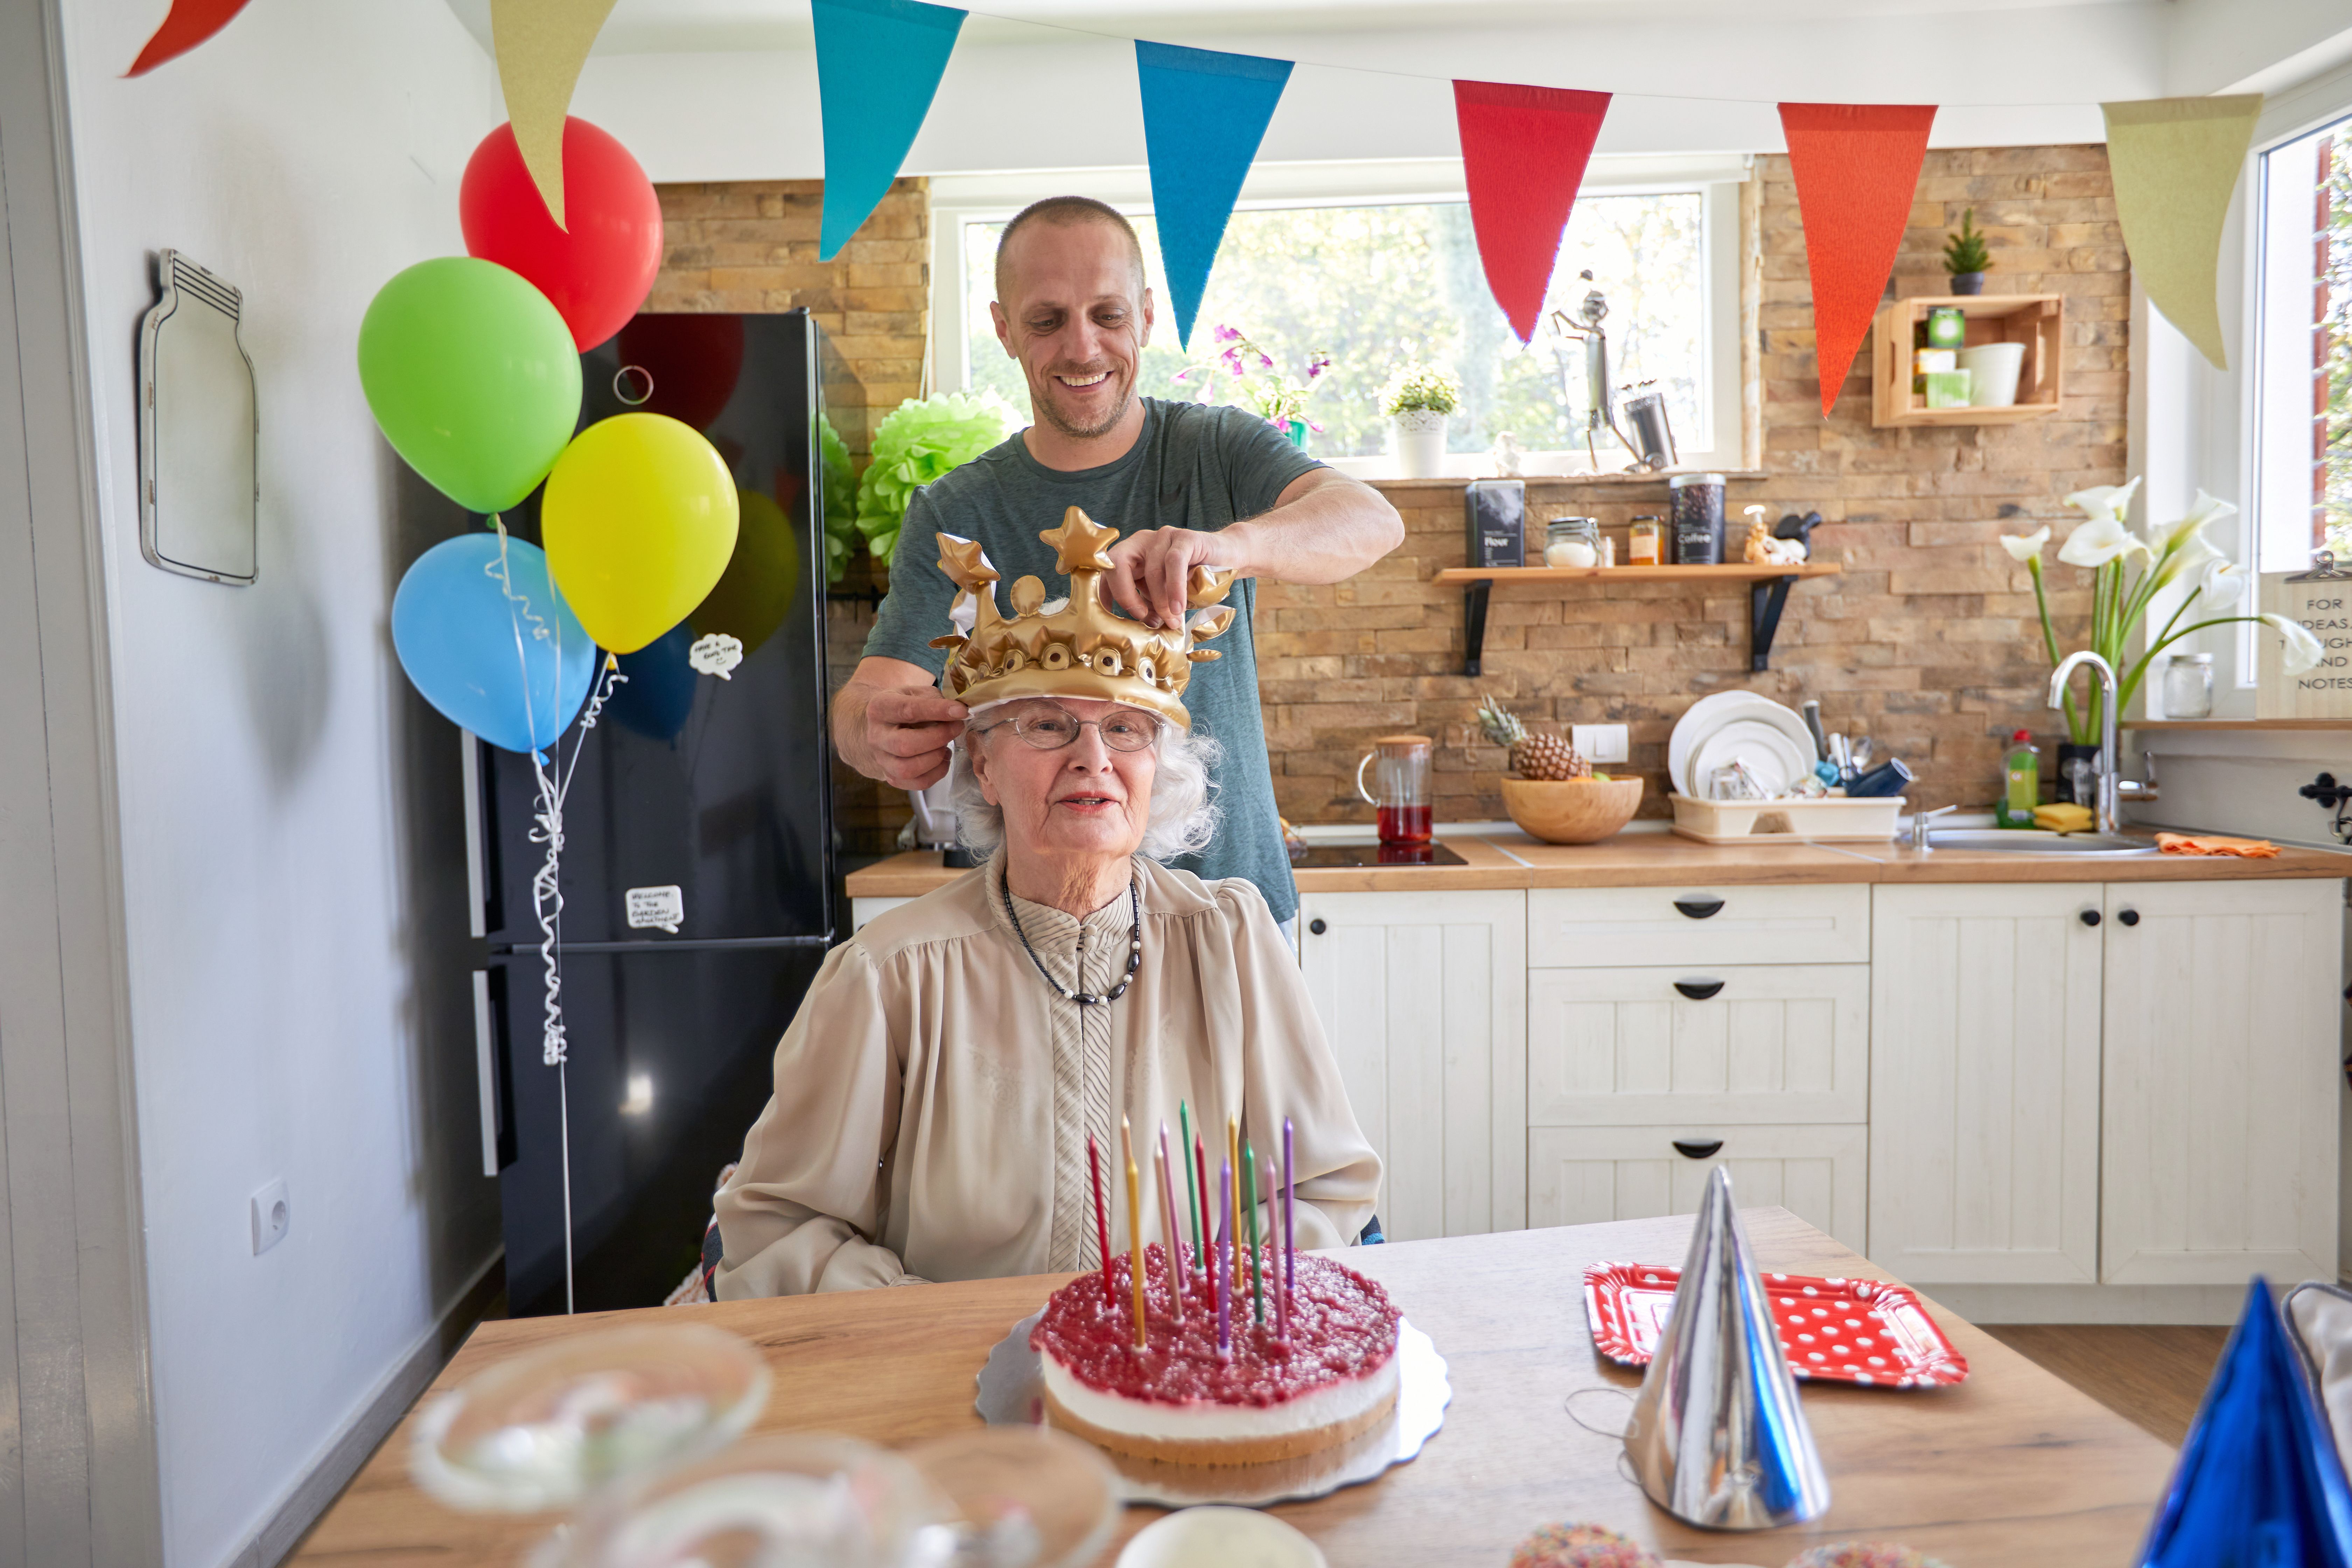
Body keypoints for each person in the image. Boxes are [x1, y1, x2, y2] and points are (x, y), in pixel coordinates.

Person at [714, 512, 1379, 1296]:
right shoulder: (890, 974)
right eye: (1048, 724)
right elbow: (779, 1230)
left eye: (1126, 728)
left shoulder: (1230, 939)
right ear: (984, 767)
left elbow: (1323, 1189)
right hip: (956, 1390)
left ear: (1158, 768)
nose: (1092, 757)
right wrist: (936, 1328)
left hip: (1186, 1377)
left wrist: (1207, 1311)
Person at [831, 194, 1403, 930]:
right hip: (1035, 927)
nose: (1082, 348)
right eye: (1046, 320)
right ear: (1003, 327)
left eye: (1107, 314)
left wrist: (1231, 547)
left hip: (1233, 916)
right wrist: (874, 733)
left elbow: (1371, 520)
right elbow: (865, 701)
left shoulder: (1217, 450)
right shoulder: (953, 512)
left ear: (1147, 315)